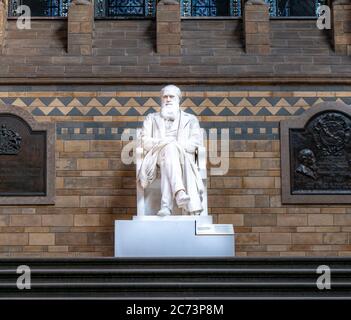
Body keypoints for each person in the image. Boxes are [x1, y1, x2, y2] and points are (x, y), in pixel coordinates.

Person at [137, 85, 204, 216]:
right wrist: (166, 143)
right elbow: (144, 141)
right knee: (169, 149)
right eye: (165, 96)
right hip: (156, 157)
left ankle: (166, 207)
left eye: (171, 96)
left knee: (170, 153)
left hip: (183, 157)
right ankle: (179, 193)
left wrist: (176, 145)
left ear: (178, 99)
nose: (168, 99)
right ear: (161, 99)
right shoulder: (151, 118)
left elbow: (195, 143)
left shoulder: (190, 119)